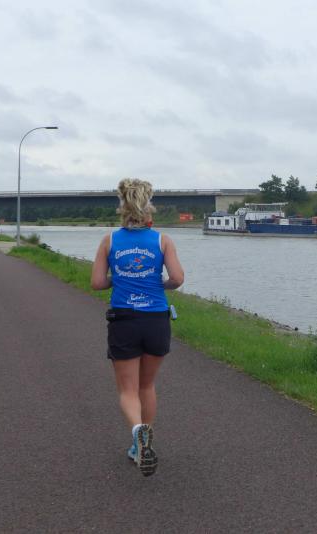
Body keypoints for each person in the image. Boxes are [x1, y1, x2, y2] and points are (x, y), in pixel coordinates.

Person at [90, 178, 184, 476]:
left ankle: (137, 434)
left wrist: (118, 279)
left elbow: (97, 283)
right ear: (149, 211)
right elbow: (177, 278)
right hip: (156, 319)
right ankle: (143, 442)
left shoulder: (109, 241)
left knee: (128, 390)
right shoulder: (162, 240)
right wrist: (158, 283)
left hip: (124, 320)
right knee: (147, 385)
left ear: (123, 210)